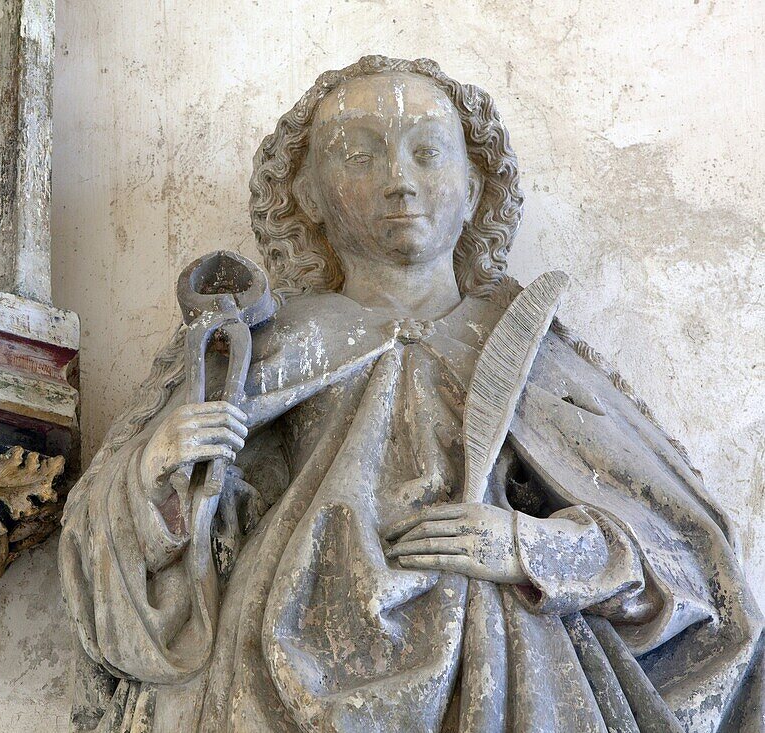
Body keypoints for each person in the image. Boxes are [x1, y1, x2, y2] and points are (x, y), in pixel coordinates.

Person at [59, 55, 762, 732]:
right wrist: (158, 470)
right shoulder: (253, 345)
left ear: (476, 187)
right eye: (361, 156)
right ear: (307, 193)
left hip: (505, 673)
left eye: (427, 152)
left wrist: (529, 545)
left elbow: (695, 562)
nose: (399, 181)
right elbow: (109, 553)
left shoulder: (527, 349)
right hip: (273, 664)